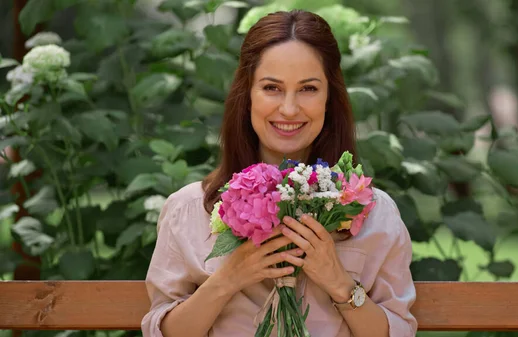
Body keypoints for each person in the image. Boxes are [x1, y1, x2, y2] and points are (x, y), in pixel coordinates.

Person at [141, 9, 417, 337]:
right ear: (247, 97)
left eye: (308, 89)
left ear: (330, 98)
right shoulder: (188, 209)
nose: (288, 108)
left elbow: (398, 332)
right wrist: (229, 278)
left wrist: (339, 282)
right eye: (272, 88)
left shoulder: (375, 213)